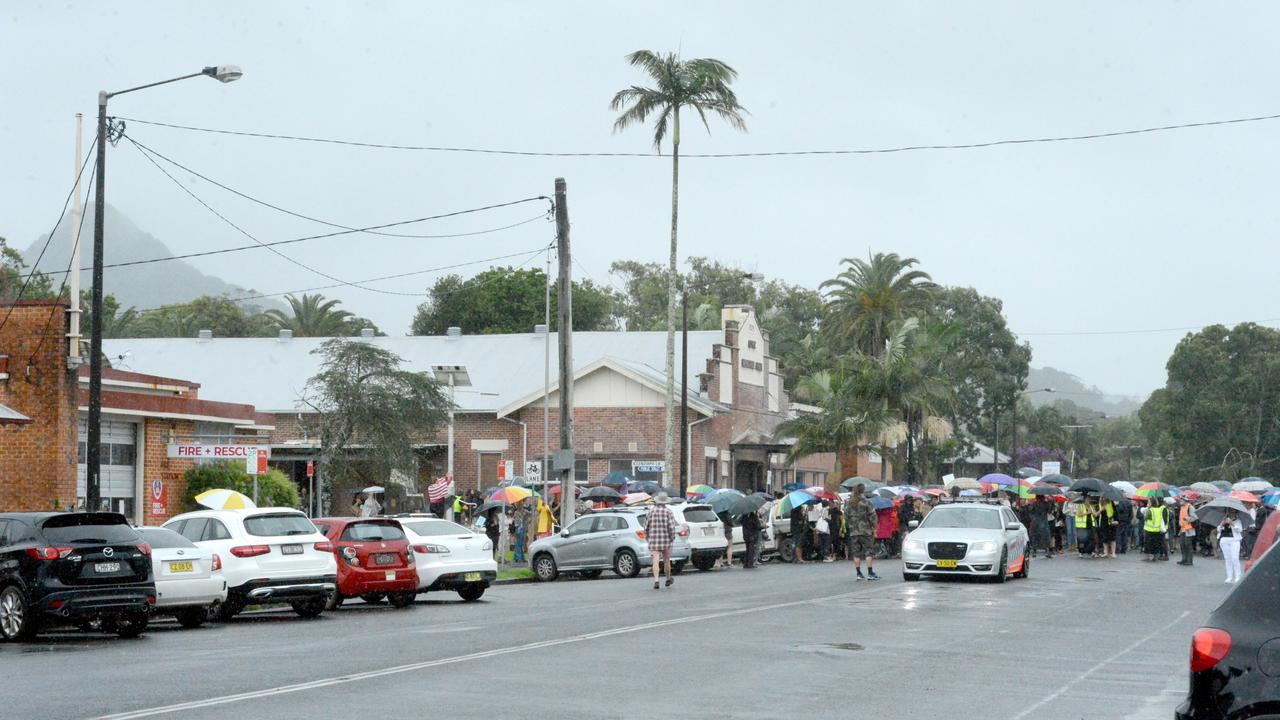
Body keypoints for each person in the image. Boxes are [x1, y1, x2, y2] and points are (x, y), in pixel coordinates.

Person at [645, 493, 679, 589]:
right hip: (666, 539)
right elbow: (672, 528)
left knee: (655, 560)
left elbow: (646, 527)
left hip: (654, 539)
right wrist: (672, 538)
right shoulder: (668, 512)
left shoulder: (651, 512)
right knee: (666, 560)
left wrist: (647, 537)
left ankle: (656, 580)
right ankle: (668, 578)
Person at [844, 490, 878, 580]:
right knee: (868, 551)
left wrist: (851, 525)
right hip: (866, 531)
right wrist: (874, 527)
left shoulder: (849, 504)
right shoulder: (867, 502)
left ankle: (858, 573)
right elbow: (873, 516)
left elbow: (846, 517)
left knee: (856, 553)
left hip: (854, 532)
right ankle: (870, 573)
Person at [1219, 508, 1244, 583]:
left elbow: (1239, 530)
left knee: (1235, 558)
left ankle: (1237, 576)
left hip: (1234, 541)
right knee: (1227, 559)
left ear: (1236, 513)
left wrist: (1232, 524)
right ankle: (1229, 576)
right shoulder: (1224, 520)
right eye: (1229, 512)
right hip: (1224, 540)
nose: (1231, 514)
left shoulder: (1238, 521)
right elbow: (1218, 530)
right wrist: (1221, 524)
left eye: (1232, 512)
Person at [1177, 498, 1197, 566]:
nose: (1180, 501)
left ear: (1185, 501)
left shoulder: (1190, 507)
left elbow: (1195, 517)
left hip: (1189, 528)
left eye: (1181, 500)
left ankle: (1189, 560)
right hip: (1182, 528)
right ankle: (1184, 559)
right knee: (1182, 544)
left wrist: (1187, 518)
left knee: (1188, 544)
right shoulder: (1182, 507)